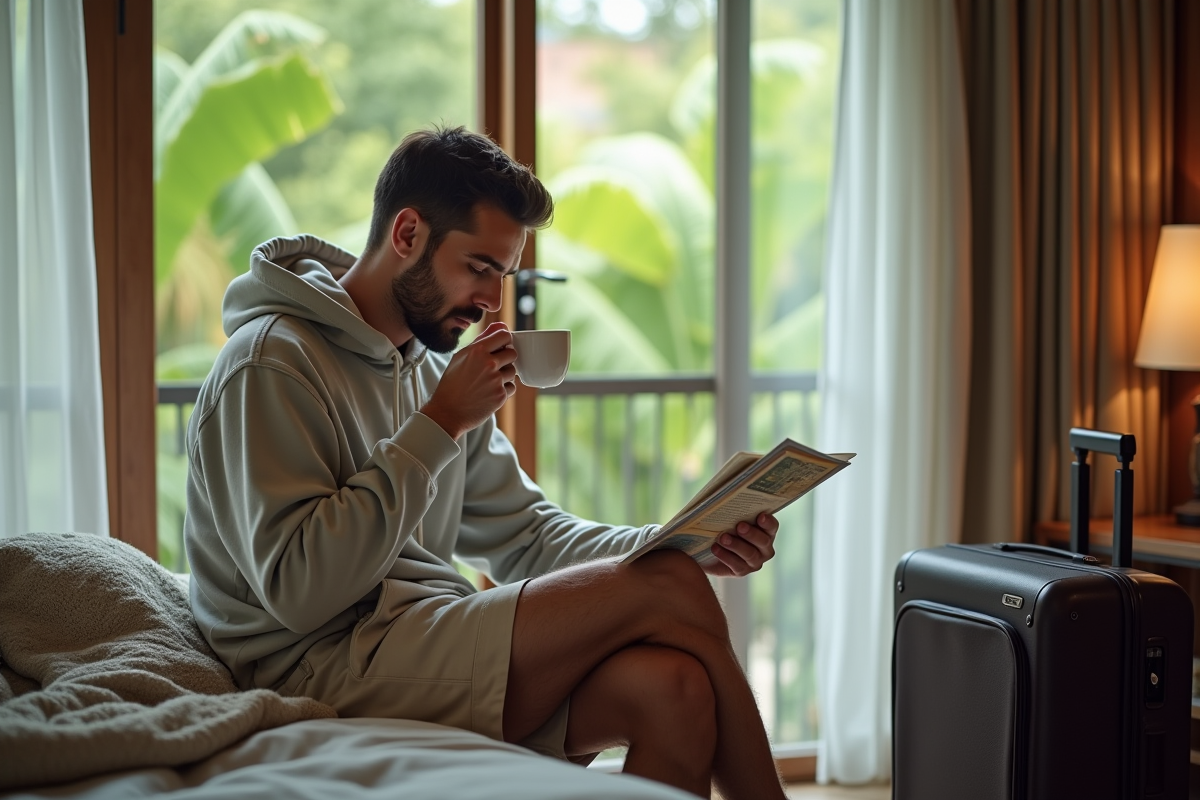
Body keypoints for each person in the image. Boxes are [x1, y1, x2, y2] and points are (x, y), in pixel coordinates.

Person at [184, 125, 786, 800]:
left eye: (502, 275)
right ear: (407, 234)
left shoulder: (427, 370)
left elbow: (528, 536)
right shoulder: (271, 362)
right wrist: (440, 422)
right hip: (317, 664)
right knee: (671, 590)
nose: (491, 301)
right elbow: (300, 593)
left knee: (674, 689)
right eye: (478, 268)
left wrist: (683, 540)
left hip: (419, 639)